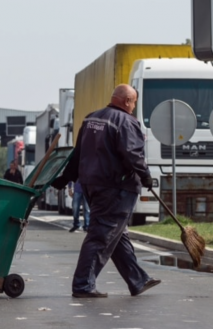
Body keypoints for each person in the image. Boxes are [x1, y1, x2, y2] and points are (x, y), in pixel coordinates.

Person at [52, 84, 160, 298]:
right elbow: (132, 154)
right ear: (127, 101)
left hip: (93, 185)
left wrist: (66, 177)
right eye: (134, 102)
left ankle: (138, 280)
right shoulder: (127, 122)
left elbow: (78, 153)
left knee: (117, 235)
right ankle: (82, 285)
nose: (134, 106)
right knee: (101, 235)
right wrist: (146, 176)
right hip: (116, 188)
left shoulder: (91, 118)